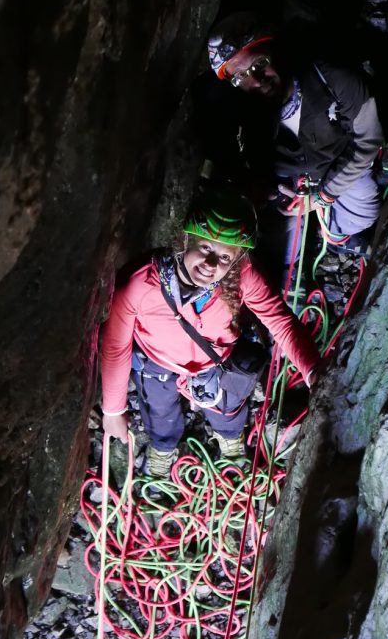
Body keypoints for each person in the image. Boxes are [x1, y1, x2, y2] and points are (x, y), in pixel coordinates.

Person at [100, 186, 320, 477]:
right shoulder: (138, 284)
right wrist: (113, 409)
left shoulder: (243, 277)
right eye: (206, 248)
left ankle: (229, 436)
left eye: (225, 258)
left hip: (214, 360)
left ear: (237, 260)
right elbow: (116, 346)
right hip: (158, 360)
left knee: (227, 408)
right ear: (186, 239)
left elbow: (279, 321)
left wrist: (313, 370)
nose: (211, 265)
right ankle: (163, 446)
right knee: (159, 411)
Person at [198, 12, 384, 276]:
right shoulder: (242, 108)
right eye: (240, 77)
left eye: (259, 63)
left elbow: (368, 141)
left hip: (338, 164)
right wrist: (259, 186)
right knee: (280, 254)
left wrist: (323, 196)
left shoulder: (332, 77)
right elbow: (232, 156)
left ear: (273, 49)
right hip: (290, 181)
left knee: (363, 218)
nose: (257, 80)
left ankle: (334, 237)